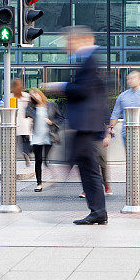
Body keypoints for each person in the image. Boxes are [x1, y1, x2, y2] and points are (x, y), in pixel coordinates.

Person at [45, 26, 110, 225]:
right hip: (86, 124)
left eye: (69, 41)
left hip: (86, 124)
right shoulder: (88, 61)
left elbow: (83, 90)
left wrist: (61, 86)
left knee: (87, 167)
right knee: (87, 168)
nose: (67, 45)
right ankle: (98, 211)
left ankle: (97, 210)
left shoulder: (90, 61)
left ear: (82, 39)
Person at [106, 69, 140, 161]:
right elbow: (115, 114)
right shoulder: (123, 96)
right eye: (128, 79)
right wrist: (110, 129)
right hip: (125, 133)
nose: (130, 80)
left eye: (133, 78)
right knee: (129, 160)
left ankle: (138, 176)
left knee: (137, 160)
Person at [25, 89, 63, 192]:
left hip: (48, 136)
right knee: (38, 161)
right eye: (32, 95)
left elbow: (60, 118)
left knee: (46, 160)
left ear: (40, 94)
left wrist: (51, 122)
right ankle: (39, 183)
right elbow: (25, 115)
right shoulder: (31, 107)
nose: (34, 96)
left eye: (35, 94)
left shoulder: (51, 105)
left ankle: (54, 177)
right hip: (36, 137)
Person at [12, 79, 33, 167]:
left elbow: (12, 110)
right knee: (26, 140)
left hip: (16, 121)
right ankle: (26, 152)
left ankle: (16, 156)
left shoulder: (11, 96)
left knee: (16, 141)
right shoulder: (26, 96)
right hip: (26, 121)